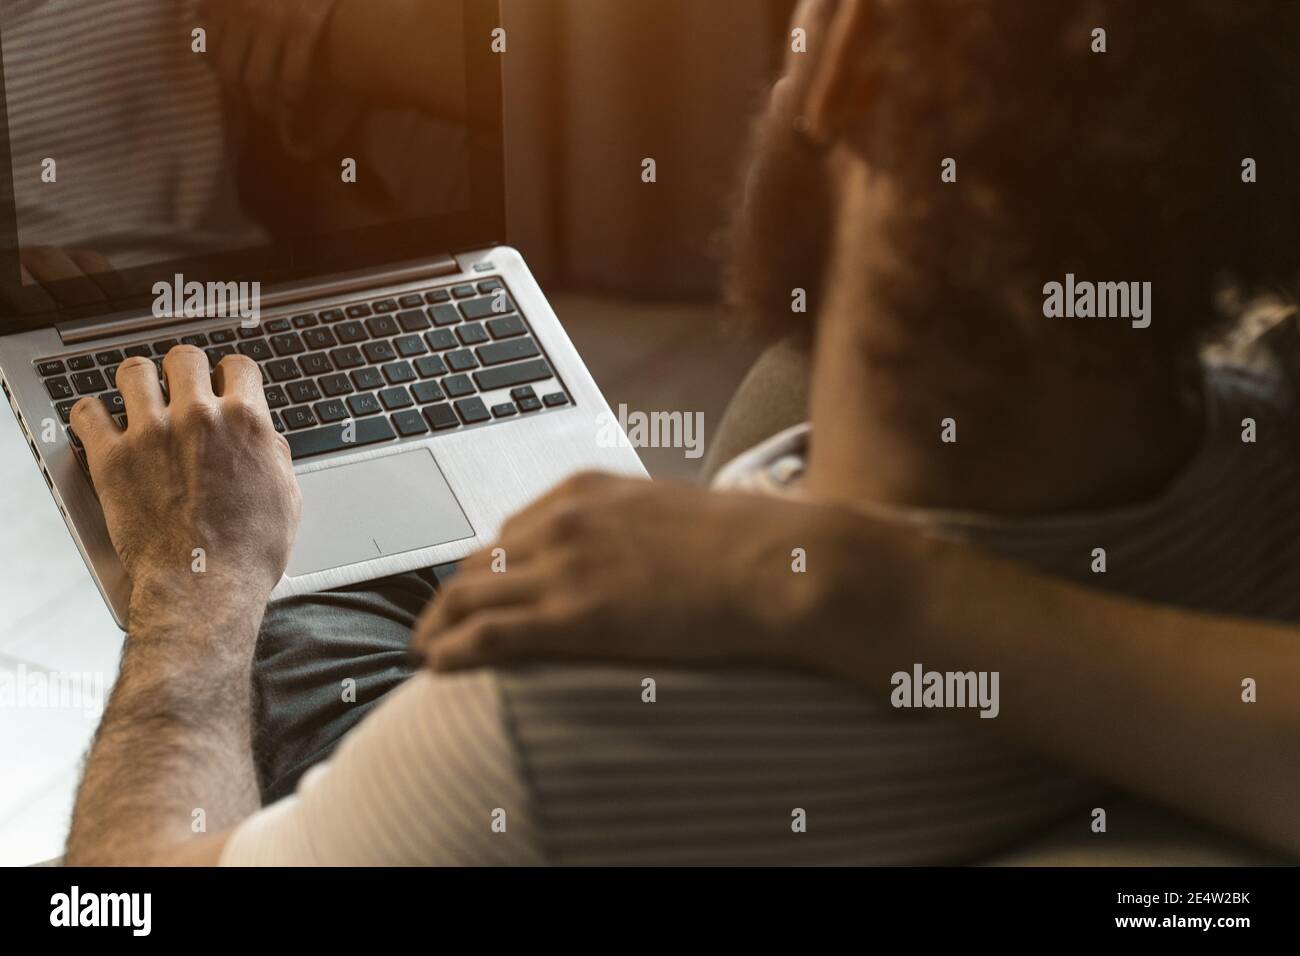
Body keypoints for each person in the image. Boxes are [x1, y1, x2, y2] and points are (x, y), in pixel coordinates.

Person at [64, 0, 1300, 865]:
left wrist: (199, 591)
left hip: (450, 782)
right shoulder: (1271, 468)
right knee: (732, 403)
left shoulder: (535, 736)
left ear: (850, 56)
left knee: (291, 607)